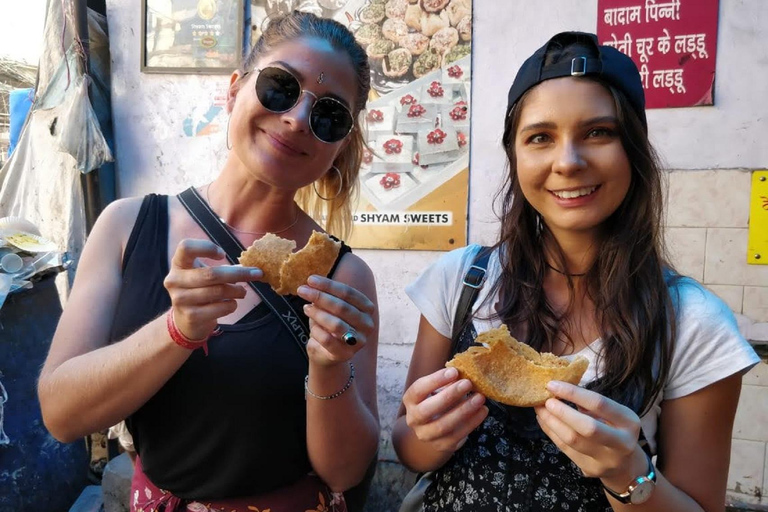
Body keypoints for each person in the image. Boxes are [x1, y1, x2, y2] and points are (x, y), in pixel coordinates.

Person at [392, 32, 759, 512]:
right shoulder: (460, 281)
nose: (568, 162)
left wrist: (627, 471)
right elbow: (407, 447)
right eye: (540, 137)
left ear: (634, 149)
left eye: (598, 133)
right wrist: (430, 435)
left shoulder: (694, 323)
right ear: (516, 156)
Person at [38, 11, 379, 512]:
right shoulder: (126, 226)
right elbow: (61, 414)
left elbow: (345, 473)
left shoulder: (343, 277)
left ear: (340, 143)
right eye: (281, 86)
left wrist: (329, 369)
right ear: (235, 89)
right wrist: (175, 331)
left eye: (329, 114)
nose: (298, 119)